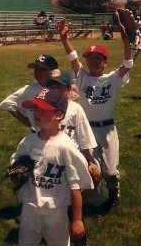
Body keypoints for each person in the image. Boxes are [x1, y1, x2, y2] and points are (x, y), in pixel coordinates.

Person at [56, 15, 134, 214]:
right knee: (93, 169)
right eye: (90, 58)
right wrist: (65, 40)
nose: (93, 61)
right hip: (87, 130)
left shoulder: (113, 78)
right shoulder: (81, 76)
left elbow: (127, 64)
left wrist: (126, 41)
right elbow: (73, 58)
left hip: (108, 130)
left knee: (109, 171)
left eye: (98, 58)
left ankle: (114, 190)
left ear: (105, 62)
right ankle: (96, 205)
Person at [10, 88, 94, 245]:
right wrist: (15, 172)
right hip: (29, 208)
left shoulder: (65, 147)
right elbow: (16, 161)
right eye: (35, 108)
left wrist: (77, 220)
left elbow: (75, 187)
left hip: (55, 211)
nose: (37, 113)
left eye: (43, 109)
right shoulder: (28, 141)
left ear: (59, 115)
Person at [46, 69, 102, 210]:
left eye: (59, 87)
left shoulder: (75, 109)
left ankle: (76, 218)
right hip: (51, 159)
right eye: (51, 87)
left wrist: (87, 161)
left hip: (72, 159)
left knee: (74, 192)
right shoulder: (44, 108)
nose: (55, 91)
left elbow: (84, 138)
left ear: (69, 89)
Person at [0, 54, 58, 132]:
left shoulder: (61, 88)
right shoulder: (29, 90)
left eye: (42, 69)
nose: (37, 72)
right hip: (38, 135)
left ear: (53, 71)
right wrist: (24, 120)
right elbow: (7, 103)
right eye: (36, 69)